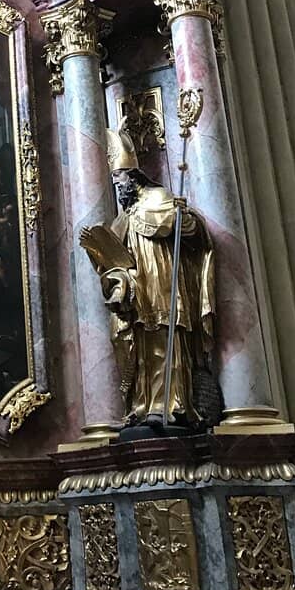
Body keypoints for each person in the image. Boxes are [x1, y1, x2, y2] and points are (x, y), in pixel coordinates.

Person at [79, 123, 216, 427]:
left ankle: (174, 404)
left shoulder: (159, 198)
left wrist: (184, 219)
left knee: (167, 341)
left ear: (132, 176)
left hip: (164, 283)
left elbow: (195, 232)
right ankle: (144, 407)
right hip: (139, 291)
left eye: (118, 177)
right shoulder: (123, 217)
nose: (116, 184)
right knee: (143, 349)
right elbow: (116, 260)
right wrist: (111, 273)